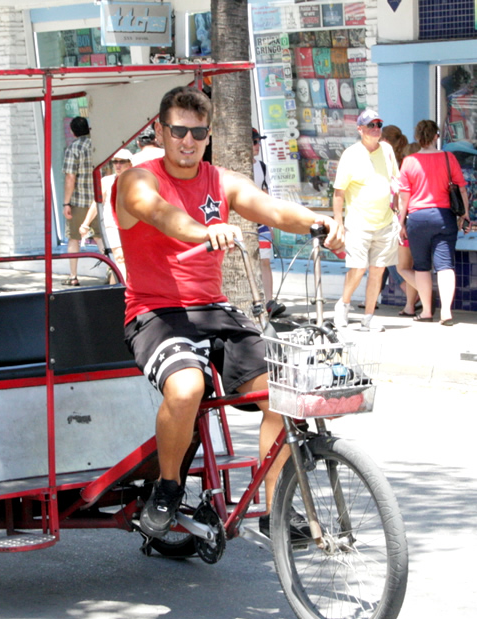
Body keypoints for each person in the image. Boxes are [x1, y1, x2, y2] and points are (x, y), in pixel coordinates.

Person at [112, 85, 344, 539]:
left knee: (284, 390)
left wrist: (320, 221)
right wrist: (204, 230)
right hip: (155, 314)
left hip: (215, 311)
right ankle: (168, 486)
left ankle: (276, 509)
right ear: (160, 130)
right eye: (178, 130)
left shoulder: (222, 180)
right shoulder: (138, 180)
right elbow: (160, 215)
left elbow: (273, 209)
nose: (188, 141)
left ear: (208, 135)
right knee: (186, 388)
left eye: (198, 133)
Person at [397, 119, 472, 326]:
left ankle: (428, 311)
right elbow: (462, 188)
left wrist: (401, 223)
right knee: (445, 266)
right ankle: (446, 313)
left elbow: (404, 198)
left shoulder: (409, 161)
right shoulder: (449, 158)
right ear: (436, 136)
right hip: (443, 217)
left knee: (421, 267)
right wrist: (464, 214)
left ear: (418, 138)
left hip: (417, 219)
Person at [332, 109, 400, 332]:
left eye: (379, 124)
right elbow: (339, 192)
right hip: (359, 224)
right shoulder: (351, 154)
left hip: (385, 222)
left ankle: (368, 318)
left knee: (378, 270)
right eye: (371, 125)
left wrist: (399, 214)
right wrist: (338, 223)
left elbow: (396, 182)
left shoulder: (388, 150)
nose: (376, 128)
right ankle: (343, 305)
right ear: (360, 129)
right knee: (358, 268)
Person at [380, 124, 420, 316]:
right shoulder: (409, 159)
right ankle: (410, 305)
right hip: (417, 217)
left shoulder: (390, 164)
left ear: (385, 141)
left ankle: (420, 292)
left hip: (398, 218)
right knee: (407, 265)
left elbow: (395, 196)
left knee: (396, 263)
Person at [62, 116, 104, 286]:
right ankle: (113, 272)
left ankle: (73, 276)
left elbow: (70, 177)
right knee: (101, 238)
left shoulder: (73, 148)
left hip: (79, 200)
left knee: (74, 239)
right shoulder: (97, 146)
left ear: (73, 132)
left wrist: (66, 202)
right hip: (98, 200)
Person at [82, 148, 133, 283]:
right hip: (112, 225)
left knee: (126, 262)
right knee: (119, 258)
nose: (117, 165)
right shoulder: (106, 181)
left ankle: (116, 290)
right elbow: (96, 204)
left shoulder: (136, 181)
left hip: (132, 226)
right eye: (114, 162)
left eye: (122, 162)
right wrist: (85, 224)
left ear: (130, 164)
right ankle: (120, 292)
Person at [252, 127, 285, 318]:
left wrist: (270, 224)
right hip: (243, 223)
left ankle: (268, 301)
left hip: (261, 222)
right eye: (255, 141)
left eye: (258, 142)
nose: (258, 146)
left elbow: (266, 195)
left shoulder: (262, 167)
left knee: (265, 261)